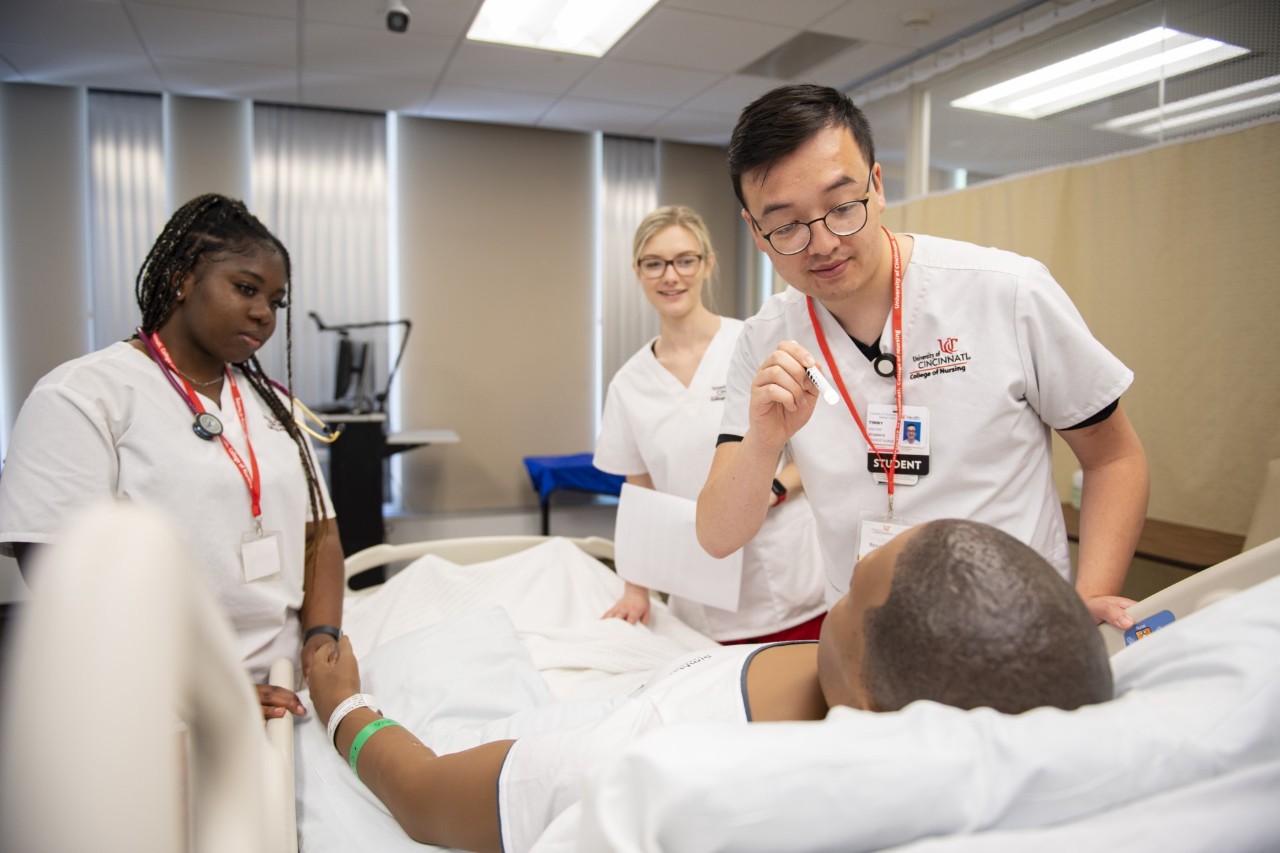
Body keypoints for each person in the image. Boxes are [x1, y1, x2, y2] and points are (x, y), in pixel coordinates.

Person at [306, 518, 1113, 853]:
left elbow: (422, 793)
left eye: (856, 582)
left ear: (867, 707)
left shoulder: (648, 766)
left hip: (603, 721)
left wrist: (345, 704)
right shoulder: (928, 701)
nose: (839, 591)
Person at [695, 84, 1149, 630]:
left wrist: (1089, 598)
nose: (822, 243)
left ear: (878, 186)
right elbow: (717, 536)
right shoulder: (766, 338)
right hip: (867, 640)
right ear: (756, 232)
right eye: (787, 225)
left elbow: (1114, 458)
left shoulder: (1006, 292)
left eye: (842, 206)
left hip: (1018, 628)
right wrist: (765, 441)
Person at [0, 193, 345, 719]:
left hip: (283, 689)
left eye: (276, 301)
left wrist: (322, 639)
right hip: (151, 695)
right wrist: (196, 688)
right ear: (183, 278)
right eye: (246, 288)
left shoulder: (272, 403)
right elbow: (57, 568)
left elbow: (319, 533)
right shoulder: (83, 394)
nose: (263, 313)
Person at [594, 205, 828, 640]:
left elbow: (816, 447)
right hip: (696, 594)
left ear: (707, 264)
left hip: (786, 586)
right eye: (654, 263)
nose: (671, 276)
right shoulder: (629, 383)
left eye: (685, 260)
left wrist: (772, 490)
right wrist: (635, 588)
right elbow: (639, 491)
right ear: (637, 270)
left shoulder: (756, 343)